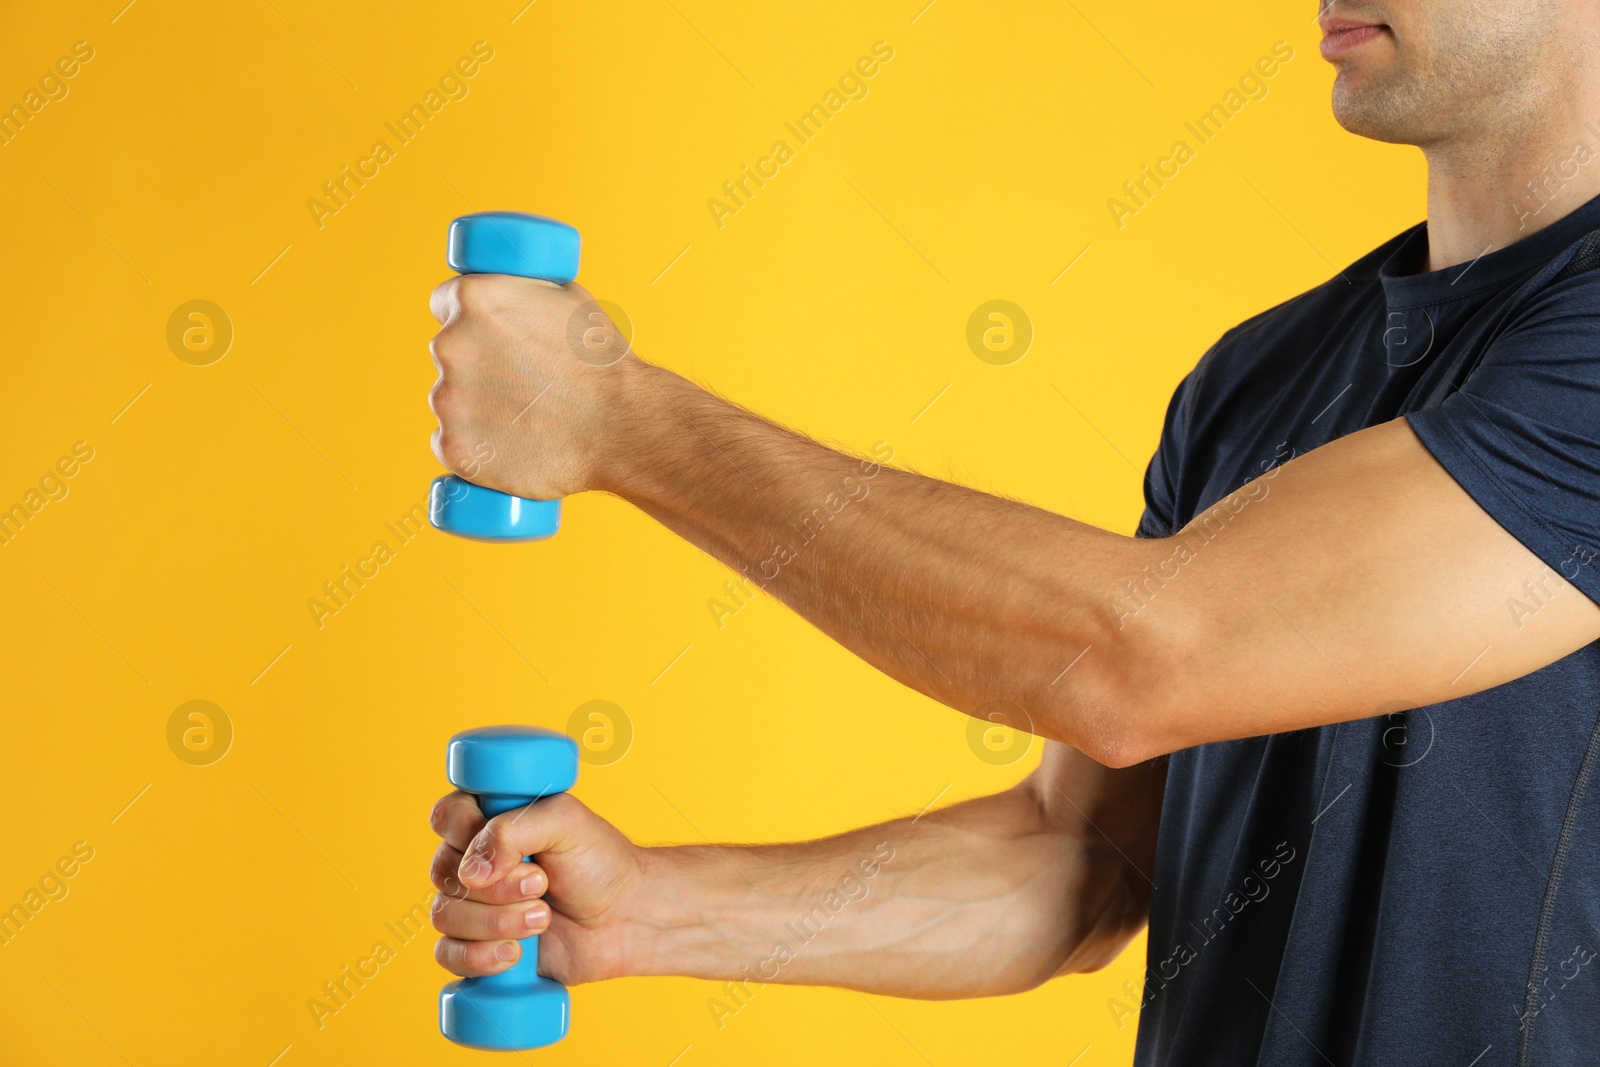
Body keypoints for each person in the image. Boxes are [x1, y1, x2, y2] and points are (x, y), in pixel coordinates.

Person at [424, 3, 1600, 1061]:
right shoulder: (1262, 377)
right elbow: (1080, 860)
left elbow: (1146, 657)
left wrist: (618, 421)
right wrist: (650, 906)